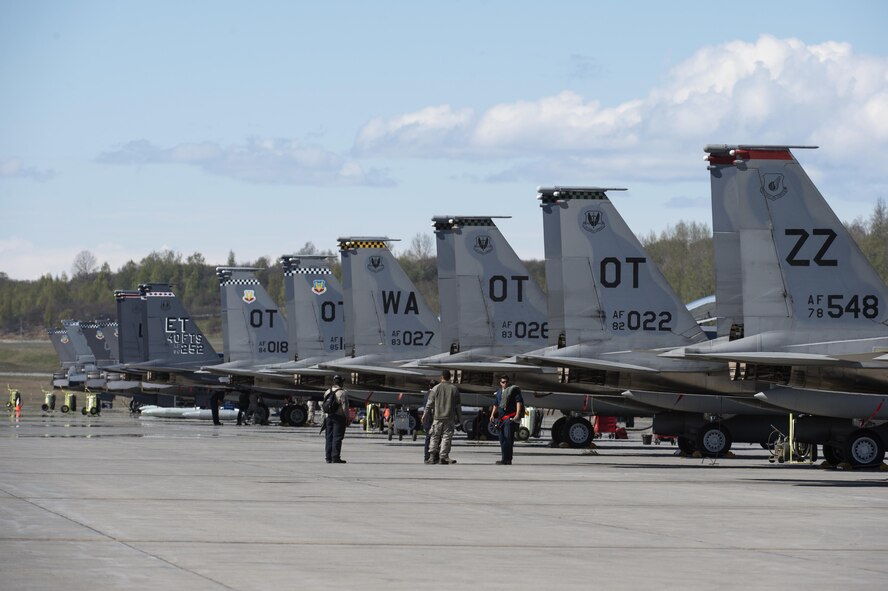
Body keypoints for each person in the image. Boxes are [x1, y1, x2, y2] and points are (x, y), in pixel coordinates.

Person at [422, 369, 462, 465]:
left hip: (437, 417)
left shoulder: (435, 388)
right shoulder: (454, 389)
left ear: (441, 377)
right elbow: (458, 406)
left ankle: (431, 457)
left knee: (434, 437)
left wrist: (425, 414)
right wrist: (460, 418)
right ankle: (443, 457)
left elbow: (429, 403)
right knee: (446, 437)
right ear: (450, 377)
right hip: (449, 417)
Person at [491, 375, 524, 465]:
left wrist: (517, 415)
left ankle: (508, 459)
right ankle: (504, 458)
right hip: (500, 419)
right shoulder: (498, 392)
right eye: (503, 382)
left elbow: (518, 402)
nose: (504, 383)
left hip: (509, 419)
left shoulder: (513, 391)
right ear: (500, 383)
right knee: (502, 440)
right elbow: (496, 404)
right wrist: (492, 415)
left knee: (508, 439)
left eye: (506, 382)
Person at [324, 374, 349, 464]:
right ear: (341, 382)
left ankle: (328, 457)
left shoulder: (327, 391)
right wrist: (347, 418)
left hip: (329, 417)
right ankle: (335, 457)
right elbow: (345, 407)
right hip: (339, 417)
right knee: (337, 437)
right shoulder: (342, 393)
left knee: (329, 437)